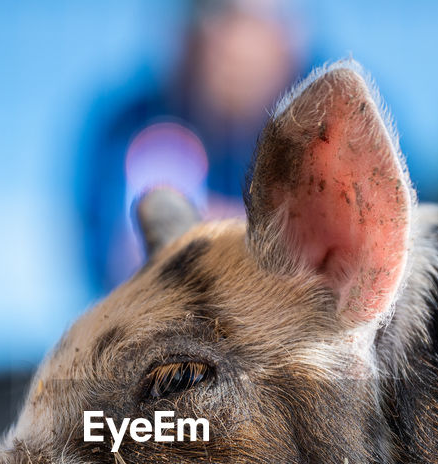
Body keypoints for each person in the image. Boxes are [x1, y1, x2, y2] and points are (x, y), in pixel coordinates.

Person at [76, 0, 305, 299]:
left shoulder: (336, 110)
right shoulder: (129, 125)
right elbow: (111, 255)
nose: (234, 43)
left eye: (250, 22)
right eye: (218, 16)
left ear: (289, 36)